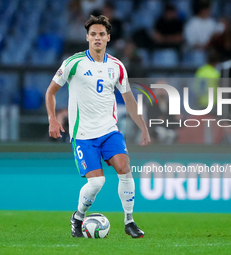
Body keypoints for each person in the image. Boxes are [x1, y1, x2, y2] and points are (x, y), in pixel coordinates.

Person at [45, 15, 151, 238]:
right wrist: (52, 119)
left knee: (125, 169)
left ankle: (129, 221)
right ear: (87, 37)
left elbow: (129, 100)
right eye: (93, 34)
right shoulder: (73, 63)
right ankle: (78, 216)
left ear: (108, 38)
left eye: (101, 34)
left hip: (109, 130)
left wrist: (143, 126)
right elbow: (51, 92)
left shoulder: (117, 66)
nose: (97, 38)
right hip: (83, 134)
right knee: (97, 183)